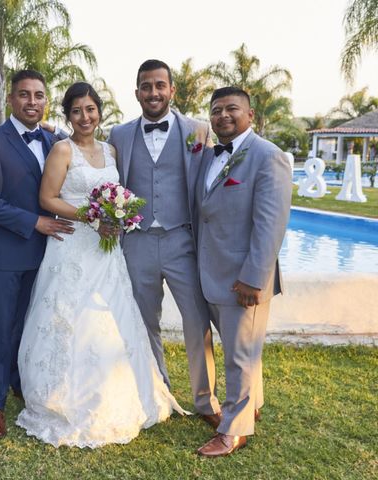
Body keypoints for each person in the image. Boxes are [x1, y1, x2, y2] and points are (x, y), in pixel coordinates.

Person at [16, 82, 187, 448]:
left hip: (106, 250)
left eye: (90, 109)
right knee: (69, 319)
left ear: (99, 112)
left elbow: (120, 196)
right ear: (68, 115)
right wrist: (89, 215)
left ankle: (126, 391)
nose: (85, 117)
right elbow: (46, 198)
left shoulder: (111, 151)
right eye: (76, 110)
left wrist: (115, 215)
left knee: (111, 316)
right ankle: (59, 396)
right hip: (72, 246)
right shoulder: (62, 150)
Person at [107, 59, 221, 422]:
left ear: (172, 90)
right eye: (146, 86)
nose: (153, 92)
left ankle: (206, 401)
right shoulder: (118, 135)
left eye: (160, 85)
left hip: (182, 241)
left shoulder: (198, 131)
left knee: (196, 321)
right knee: (144, 322)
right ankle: (158, 393)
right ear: (137, 92)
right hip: (136, 242)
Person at [0, 70, 74, 439]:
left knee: (31, 323)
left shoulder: (55, 140)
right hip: (7, 252)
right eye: (25, 95)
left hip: (49, 254)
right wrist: (35, 223)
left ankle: (19, 382)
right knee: (0, 328)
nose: (32, 102)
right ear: (11, 100)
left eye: (39, 95)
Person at [194, 86, 292, 457]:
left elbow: (271, 224)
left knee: (239, 356)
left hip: (243, 278)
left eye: (232, 109)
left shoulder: (268, 156)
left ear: (250, 115)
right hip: (212, 273)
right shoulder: (210, 156)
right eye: (216, 110)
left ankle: (234, 431)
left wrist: (255, 277)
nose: (223, 116)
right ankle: (252, 406)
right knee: (243, 350)